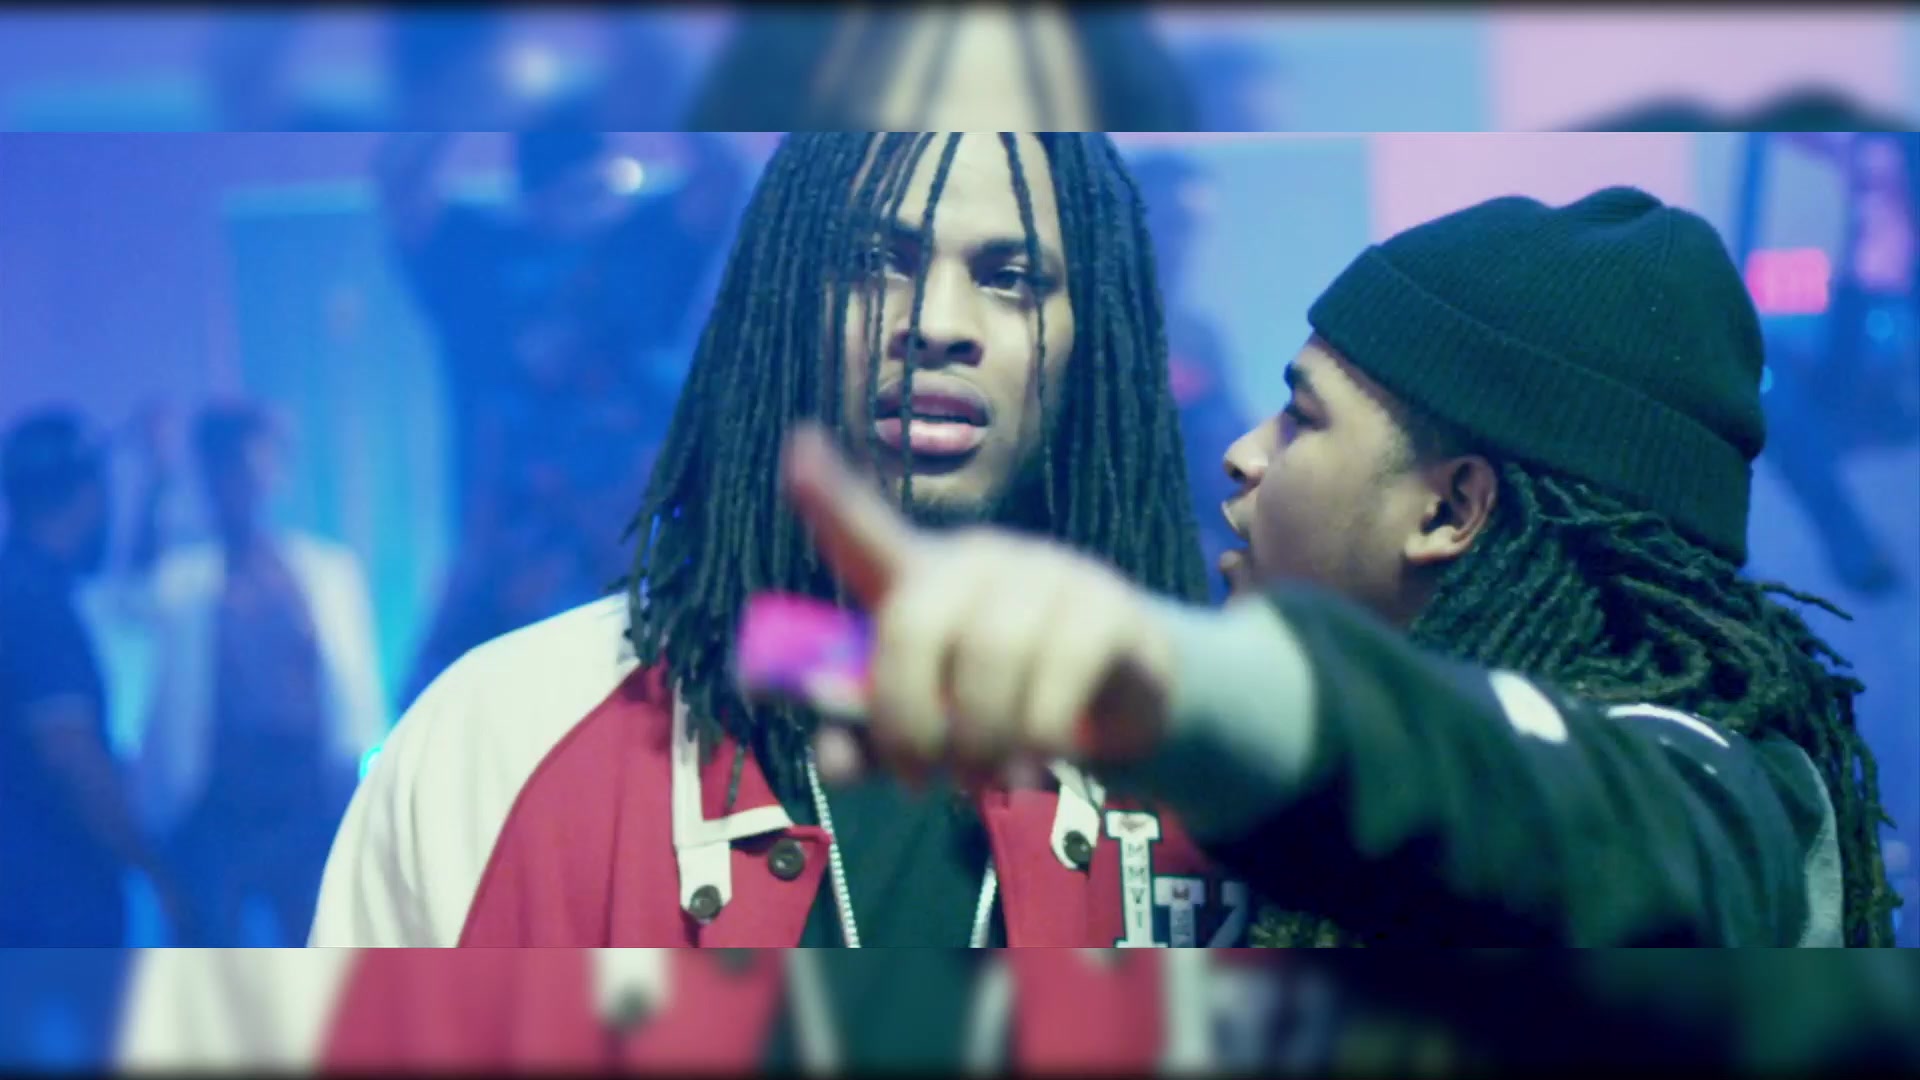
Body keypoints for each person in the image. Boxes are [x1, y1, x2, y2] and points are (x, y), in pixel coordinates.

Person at [120, 132, 1259, 1075]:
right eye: (877, 259)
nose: (939, 319)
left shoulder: (1235, 767)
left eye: (1012, 276)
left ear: (1096, 340)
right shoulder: (497, 737)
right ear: (780, 306)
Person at [773, 185, 1897, 952]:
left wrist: (1182, 681)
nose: (1244, 452)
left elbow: (1583, 818)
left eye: (1302, 419)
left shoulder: (1715, 793)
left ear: (1450, 510)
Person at [379, 119, 746, 707]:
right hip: (513, 573)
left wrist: (662, 91)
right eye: (577, 191)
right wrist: (457, 94)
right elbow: (401, 185)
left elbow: (724, 175)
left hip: (649, 567)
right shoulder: (479, 259)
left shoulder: (647, 249)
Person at [111, 400, 387, 945]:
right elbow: (131, 596)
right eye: (232, 468)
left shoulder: (325, 572)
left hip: (306, 800)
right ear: (211, 475)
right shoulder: (185, 576)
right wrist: (156, 481)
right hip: (217, 801)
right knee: (212, 961)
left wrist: (356, 785)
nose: (248, 482)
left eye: (260, 464)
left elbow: (353, 690)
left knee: (321, 954)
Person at [0, 410, 188, 945]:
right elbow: (70, 754)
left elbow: (134, 587)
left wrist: (158, 484)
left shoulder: (22, 588)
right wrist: (153, 864)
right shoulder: (36, 603)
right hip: (50, 911)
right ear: (87, 495)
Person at [1132, 152, 1255, 599]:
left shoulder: (1200, 337)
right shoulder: (1084, 329)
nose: (1182, 244)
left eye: (1190, 228)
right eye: (1170, 225)